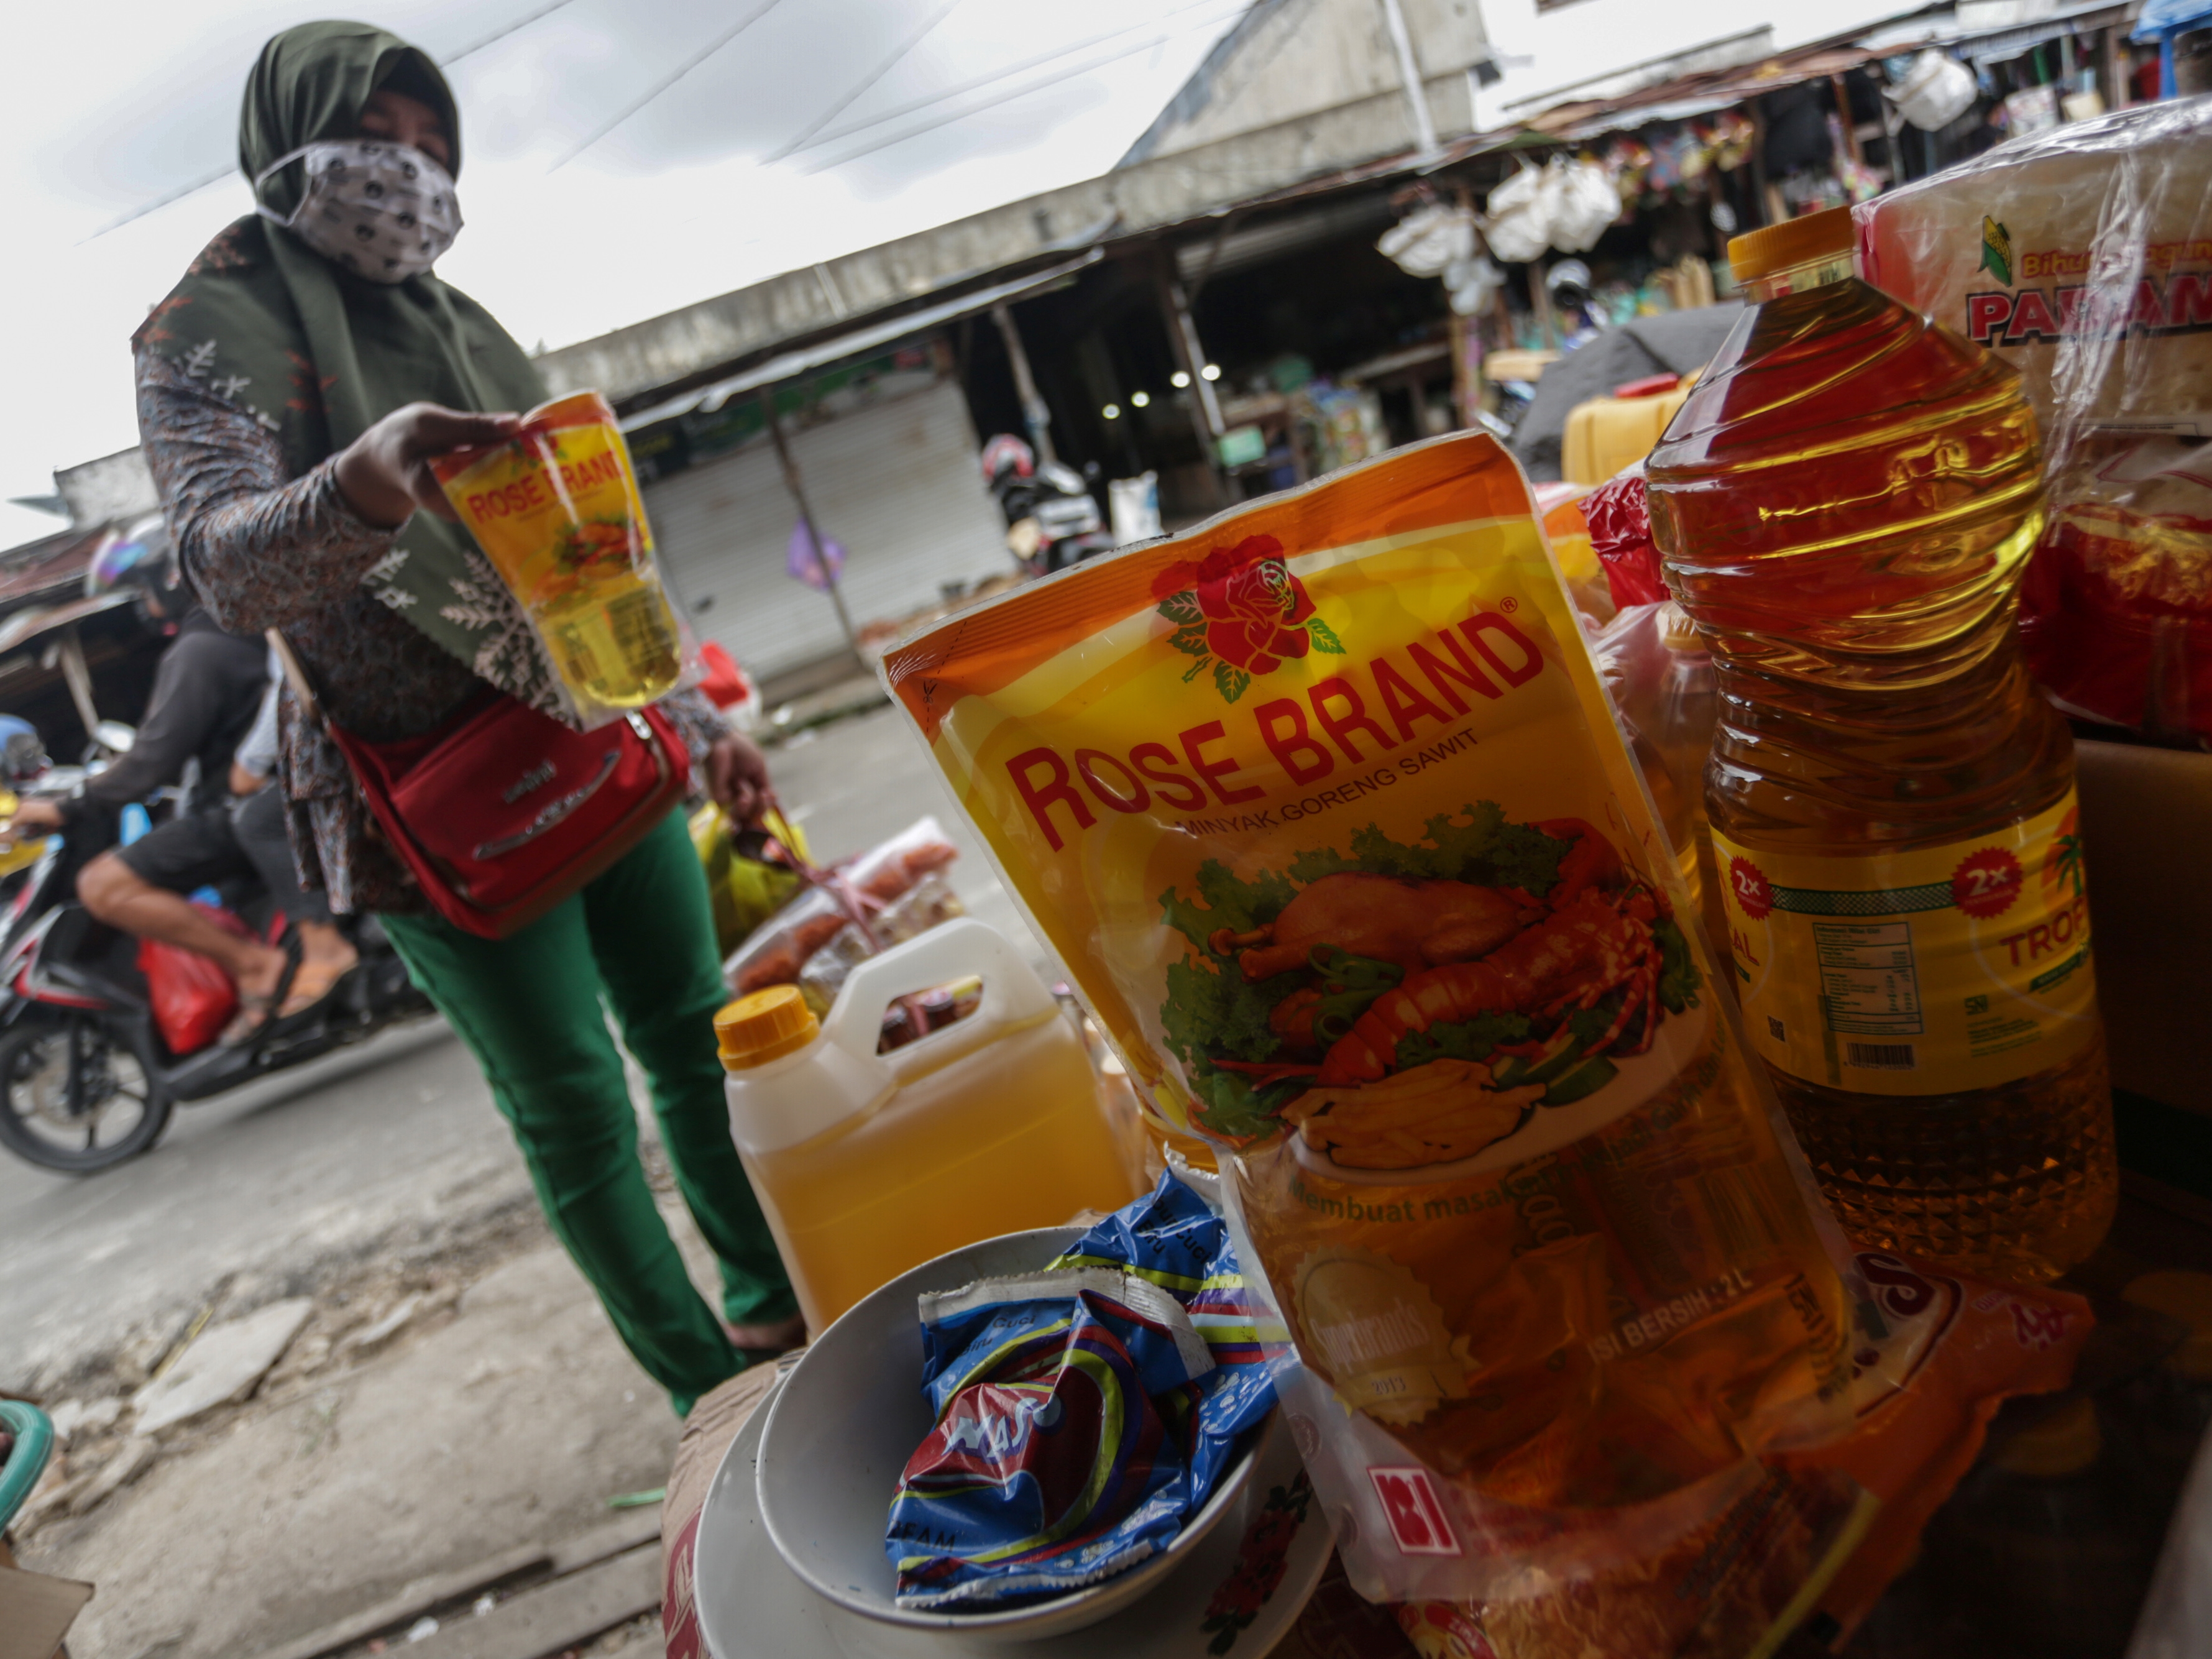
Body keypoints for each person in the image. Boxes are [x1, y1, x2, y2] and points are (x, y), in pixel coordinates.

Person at [131, 21, 799, 1414]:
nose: (412, 178)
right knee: (573, 1103)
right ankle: (711, 1395)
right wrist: (364, 483)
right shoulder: (204, 333)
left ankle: (775, 1303)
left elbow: (587, 546)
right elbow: (219, 565)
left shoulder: (465, 322)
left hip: (595, 728)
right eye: (383, 138)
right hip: (416, 788)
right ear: (293, 135)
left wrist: (697, 715)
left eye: (436, 151)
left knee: (692, 1025)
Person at [7, 522, 344, 1039]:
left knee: (102, 883)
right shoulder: (234, 633)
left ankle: (258, 964)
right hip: (257, 793)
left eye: (145, 587)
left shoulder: (200, 650)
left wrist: (67, 809)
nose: (144, 603)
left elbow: (151, 762)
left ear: (171, 579)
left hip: (252, 801)